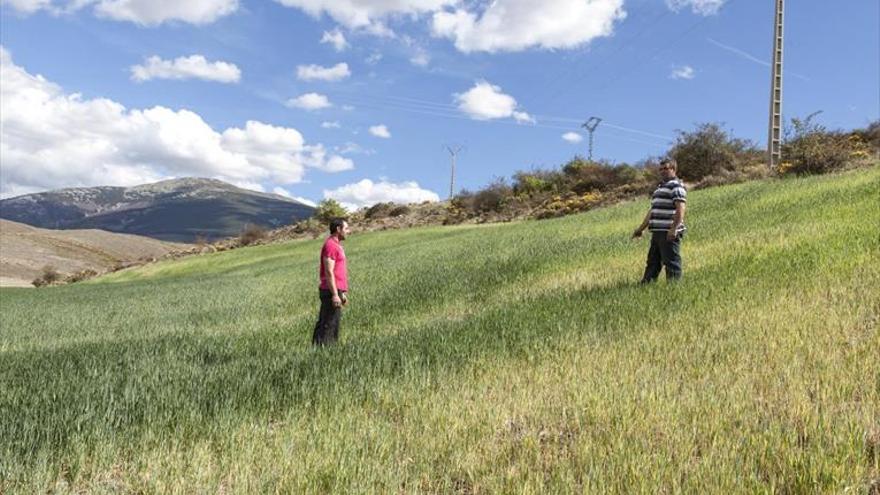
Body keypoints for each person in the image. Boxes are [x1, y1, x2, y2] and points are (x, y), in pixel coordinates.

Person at [632, 158, 687, 282]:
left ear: (673, 169)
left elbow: (681, 208)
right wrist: (640, 229)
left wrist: (674, 229)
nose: (662, 171)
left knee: (671, 261)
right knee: (653, 262)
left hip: (668, 231)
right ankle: (646, 285)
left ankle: (674, 288)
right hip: (657, 232)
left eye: (665, 169)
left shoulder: (676, 186)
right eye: (660, 169)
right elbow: (653, 211)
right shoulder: (660, 188)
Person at [312, 218, 350, 346]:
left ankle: (320, 350)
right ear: (338, 229)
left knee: (330, 322)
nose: (348, 231)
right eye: (346, 228)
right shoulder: (331, 245)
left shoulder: (336, 245)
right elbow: (329, 272)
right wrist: (334, 294)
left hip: (334, 289)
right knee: (329, 323)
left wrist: (341, 293)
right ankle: (324, 352)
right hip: (329, 290)